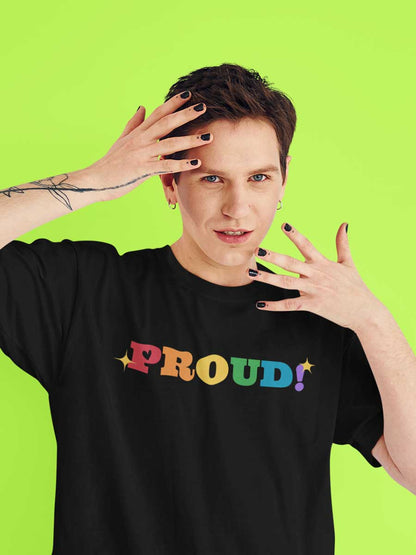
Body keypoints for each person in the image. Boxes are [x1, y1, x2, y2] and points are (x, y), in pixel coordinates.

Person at [0, 63, 404, 554]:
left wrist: (373, 321)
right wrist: (96, 179)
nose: (238, 208)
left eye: (258, 177)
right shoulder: (85, 291)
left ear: (283, 179)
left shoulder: (322, 321)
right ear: (169, 183)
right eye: (212, 179)